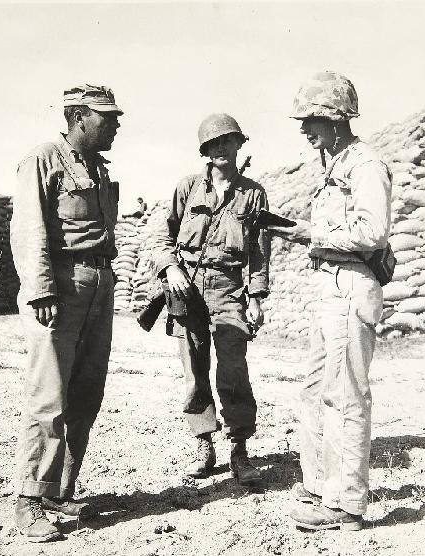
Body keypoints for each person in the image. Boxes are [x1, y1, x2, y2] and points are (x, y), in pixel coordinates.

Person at [268, 72, 391, 531]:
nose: (304, 129)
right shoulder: (334, 166)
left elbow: (374, 231)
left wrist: (310, 233)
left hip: (351, 286)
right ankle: (320, 485)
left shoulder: (365, 166)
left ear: (336, 119)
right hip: (331, 286)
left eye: (311, 120)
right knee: (314, 391)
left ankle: (346, 505)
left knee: (346, 396)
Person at [9, 83, 123, 542]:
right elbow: (28, 227)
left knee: (86, 392)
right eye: (106, 118)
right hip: (60, 286)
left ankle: (59, 491)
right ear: (78, 117)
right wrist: (40, 290)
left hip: (98, 284)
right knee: (49, 394)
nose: (115, 125)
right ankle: (29, 499)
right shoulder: (43, 158)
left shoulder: (99, 169)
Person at [153, 113, 270, 486]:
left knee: (233, 368)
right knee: (194, 368)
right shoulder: (188, 187)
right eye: (213, 143)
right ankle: (203, 443)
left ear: (238, 144)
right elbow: (163, 235)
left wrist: (256, 296)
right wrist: (171, 268)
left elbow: (259, 251)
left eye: (227, 140)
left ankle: (239, 449)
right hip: (186, 286)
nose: (221, 148)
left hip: (229, 288)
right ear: (205, 149)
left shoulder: (253, 193)